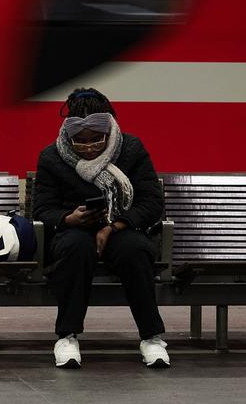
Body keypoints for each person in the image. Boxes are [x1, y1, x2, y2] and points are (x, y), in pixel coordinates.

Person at [32, 88, 168, 369]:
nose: (89, 147)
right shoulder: (52, 157)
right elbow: (43, 209)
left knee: (134, 250)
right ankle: (67, 336)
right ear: (68, 134)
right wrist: (69, 218)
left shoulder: (131, 149)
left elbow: (152, 202)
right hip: (73, 230)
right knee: (76, 247)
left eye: (96, 139)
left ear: (109, 130)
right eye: (80, 141)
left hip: (121, 226)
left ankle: (151, 337)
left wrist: (114, 226)